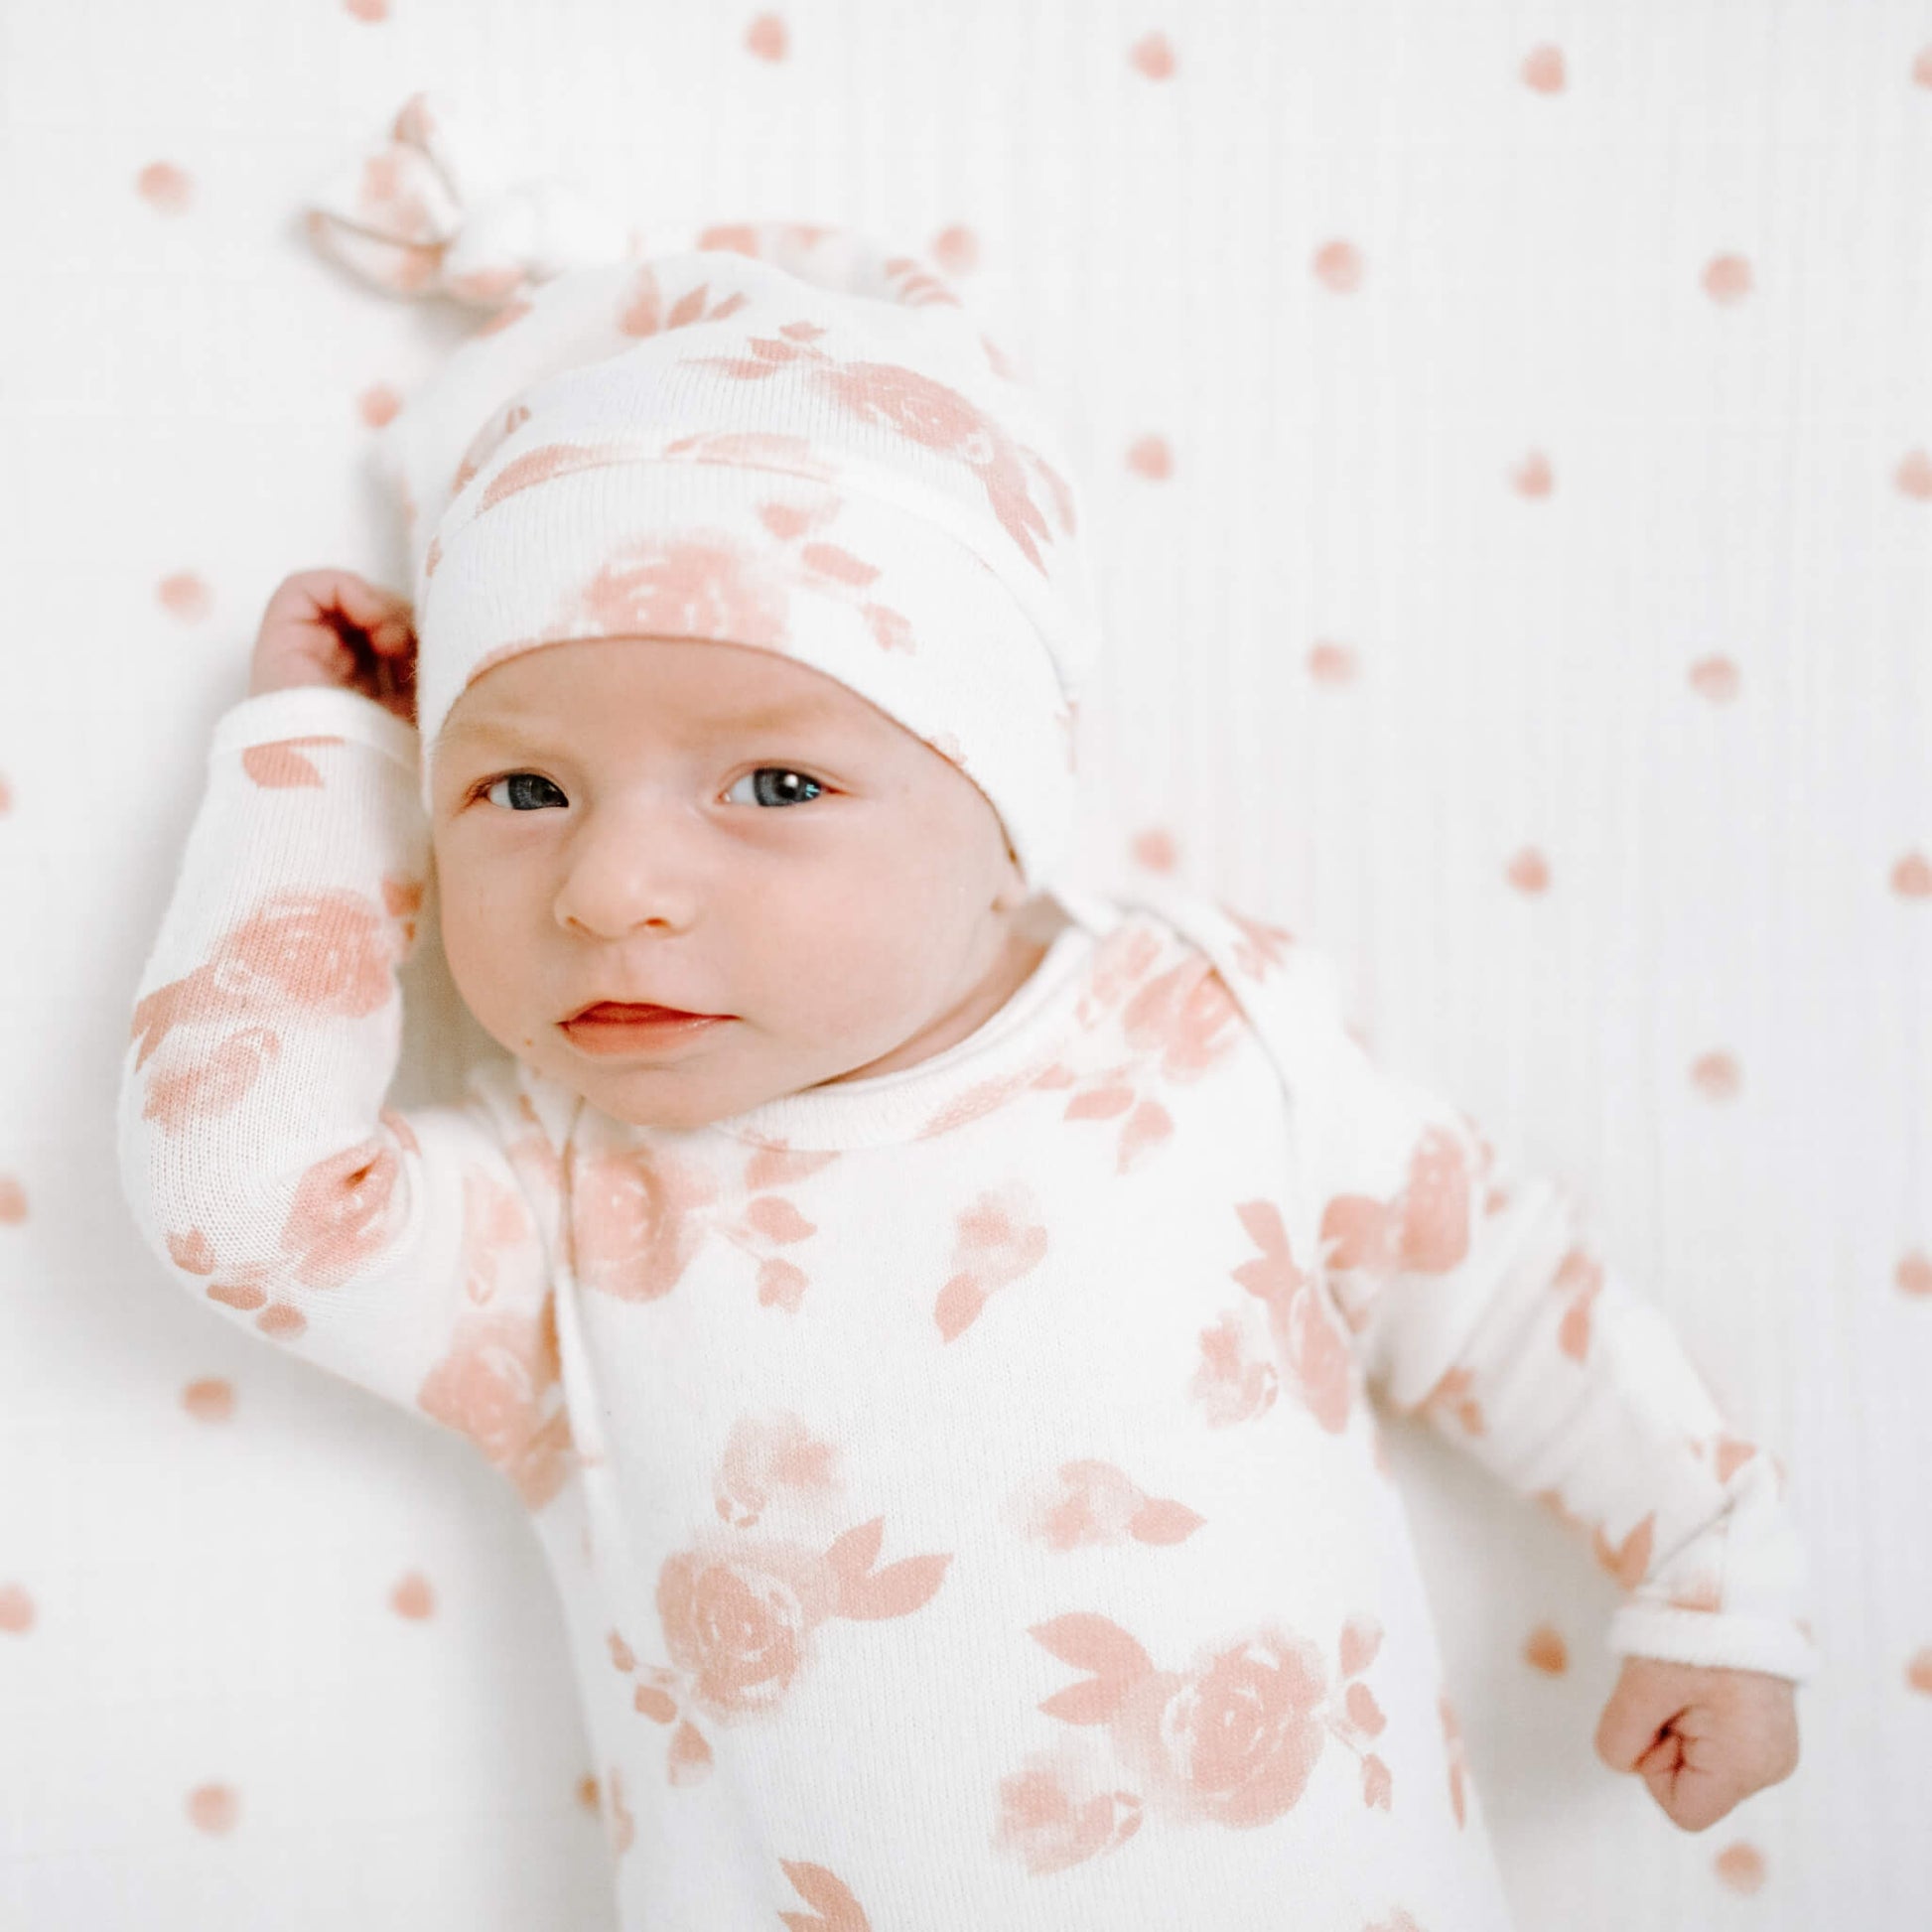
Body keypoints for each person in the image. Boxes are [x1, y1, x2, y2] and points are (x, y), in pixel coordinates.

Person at [115, 91, 1811, 1932]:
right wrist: (318, 770)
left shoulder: (1205, 1040)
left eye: (773, 784)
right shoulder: (562, 1217)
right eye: (519, 789)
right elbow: (238, 1195)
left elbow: (1503, 1294)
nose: (610, 887)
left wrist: (1708, 1564)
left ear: (1004, 815)